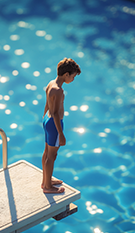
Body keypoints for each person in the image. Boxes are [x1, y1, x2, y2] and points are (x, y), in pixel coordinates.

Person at [42, 58, 81, 193]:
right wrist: (61, 134)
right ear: (66, 75)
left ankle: (45, 180)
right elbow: (55, 113)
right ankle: (47, 187)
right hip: (54, 124)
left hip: (47, 121)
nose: (73, 79)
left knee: (47, 153)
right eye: (73, 76)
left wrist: (44, 116)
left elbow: (48, 104)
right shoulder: (59, 90)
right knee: (52, 156)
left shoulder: (51, 83)